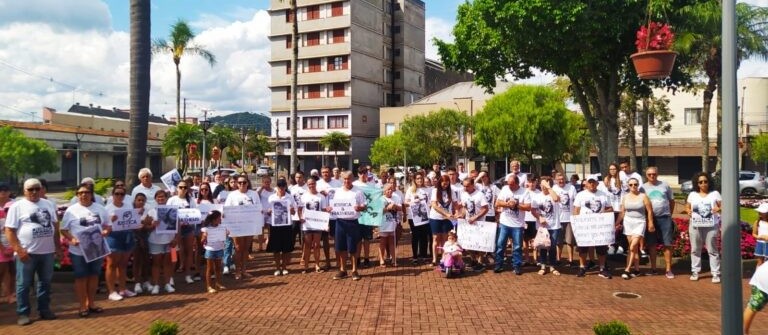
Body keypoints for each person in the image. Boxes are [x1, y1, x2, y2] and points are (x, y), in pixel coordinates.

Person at [4, 179, 60, 325]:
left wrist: (57, 246)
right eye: (30, 189)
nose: (34, 192)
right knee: (23, 284)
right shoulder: (17, 206)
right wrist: (18, 249)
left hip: (47, 252)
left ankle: (44, 309)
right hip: (26, 253)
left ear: (41, 189)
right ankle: (23, 313)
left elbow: (55, 226)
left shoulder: (48, 204)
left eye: (37, 188)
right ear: (24, 191)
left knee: (45, 282)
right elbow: (9, 230)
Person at [61, 184, 110, 318]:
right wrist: (72, 239)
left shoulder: (100, 208)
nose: (84, 195)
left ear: (92, 194)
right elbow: (63, 229)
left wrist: (106, 231)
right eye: (80, 193)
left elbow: (108, 225)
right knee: (81, 277)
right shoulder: (71, 210)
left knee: (94, 276)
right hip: (78, 250)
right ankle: (82, 305)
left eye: (87, 192)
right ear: (77, 195)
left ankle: (92, 303)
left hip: (96, 249)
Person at [573, 176, 614, 279]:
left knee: (601, 248)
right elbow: (576, 210)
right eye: (590, 182)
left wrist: (603, 214)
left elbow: (610, 208)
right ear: (586, 183)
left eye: (593, 182)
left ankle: (602, 268)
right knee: (583, 248)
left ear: (597, 183)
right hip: (585, 226)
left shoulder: (603, 195)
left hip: (599, 227)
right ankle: (582, 267)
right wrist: (576, 224)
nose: (591, 184)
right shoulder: (580, 195)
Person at [685, 172, 722, 283]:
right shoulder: (692, 194)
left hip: (711, 225)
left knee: (712, 250)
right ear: (697, 183)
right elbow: (687, 207)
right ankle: (695, 271)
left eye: (705, 181)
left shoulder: (715, 193)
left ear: (709, 182)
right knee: (695, 249)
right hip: (695, 225)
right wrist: (688, 211)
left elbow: (722, 205)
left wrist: (718, 209)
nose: (703, 184)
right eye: (700, 182)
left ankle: (715, 273)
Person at [330, 171, 367, 281]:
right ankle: (343, 270)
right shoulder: (338, 192)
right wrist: (330, 209)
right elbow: (334, 205)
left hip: (352, 222)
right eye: (345, 179)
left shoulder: (358, 192)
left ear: (352, 179)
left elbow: (364, 206)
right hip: (340, 222)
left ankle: (354, 270)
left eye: (349, 179)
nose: (347, 181)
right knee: (341, 247)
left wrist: (359, 208)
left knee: (353, 247)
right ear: (342, 179)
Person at [224, 175, 262, 279]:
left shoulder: (253, 194)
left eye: (244, 182)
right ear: (236, 184)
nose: (242, 184)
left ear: (247, 183)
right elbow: (227, 209)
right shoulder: (232, 195)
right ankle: (237, 271)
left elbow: (259, 207)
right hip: (237, 225)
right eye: (239, 182)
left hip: (249, 225)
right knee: (237, 248)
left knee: (245, 248)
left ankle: (244, 270)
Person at [640, 166, 676, 278]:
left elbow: (672, 201)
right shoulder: (642, 188)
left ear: (657, 174)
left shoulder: (665, 185)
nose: (652, 176)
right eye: (649, 174)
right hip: (651, 219)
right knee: (651, 244)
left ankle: (668, 269)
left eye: (654, 174)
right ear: (646, 175)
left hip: (664, 218)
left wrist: (669, 214)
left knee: (667, 243)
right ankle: (653, 268)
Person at [616, 178, 653, 280]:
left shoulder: (643, 196)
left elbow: (649, 211)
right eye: (631, 185)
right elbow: (622, 212)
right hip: (628, 223)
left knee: (632, 247)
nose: (633, 186)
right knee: (634, 249)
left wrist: (650, 223)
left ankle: (627, 269)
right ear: (628, 186)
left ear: (638, 185)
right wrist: (616, 223)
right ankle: (637, 270)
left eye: (635, 184)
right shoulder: (625, 197)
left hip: (640, 222)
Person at [104, 187, 138, 301]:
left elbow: (133, 220)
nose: (119, 196)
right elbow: (103, 225)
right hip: (113, 235)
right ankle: (112, 291)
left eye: (122, 194)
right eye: (117, 194)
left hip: (127, 235)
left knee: (123, 264)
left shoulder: (128, 206)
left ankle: (123, 289)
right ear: (112, 195)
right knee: (112, 264)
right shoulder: (107, 208)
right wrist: (111, 220)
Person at [494, 174, 531, 275]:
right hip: (504, 222)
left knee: (517, 246)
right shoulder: (505, 189)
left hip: (518, 224)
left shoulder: (525, 192)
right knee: (500, 244)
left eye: (512, 184)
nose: (509, 186)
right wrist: (507, 204)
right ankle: (498, 264)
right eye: (508, 184)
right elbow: (497, 203)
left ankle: (517, 266)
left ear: (517, 183)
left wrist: (517, 205)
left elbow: (528, 207)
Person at [147, 191, 178, 294]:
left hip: (170, 240)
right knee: (156, 263)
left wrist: (176, 238)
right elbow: (146, 228)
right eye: (158, 197)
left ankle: (167, 284)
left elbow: (178, 225)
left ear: (166, 198)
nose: (161, 199)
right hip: (155, 240)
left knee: (168, 263)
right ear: (155, 199)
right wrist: (152, 225)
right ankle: (156, 285)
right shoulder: (151, 211)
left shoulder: (173, 210)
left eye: (163, 197)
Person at [169, 180, 198, 284]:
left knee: (189, 251)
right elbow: (168, 215)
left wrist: (192, 225)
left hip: (188, 228)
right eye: (180, 187)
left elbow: (195, 214)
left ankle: (188, 275)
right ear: (177, 188)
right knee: (174, 252)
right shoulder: (172, 200)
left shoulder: (191, 200)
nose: (183, 189)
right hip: (175, 230)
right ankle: (170, 277)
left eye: (185, 187)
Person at [266, 178, 297, 276]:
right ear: (277, 187)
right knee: (276, 248)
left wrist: (292, 210)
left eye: (283, 186)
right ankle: (277, 268)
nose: (281, 188)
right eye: (279, 186)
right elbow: (268, 211)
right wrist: (269, 211)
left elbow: (294, 211)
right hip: (275, 225)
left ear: (285, 187)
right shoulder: (271, 198)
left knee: (285, 248)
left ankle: (284, 267)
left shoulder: (290, 197)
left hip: (286, 225)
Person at [532, 177, 561, 276]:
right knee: (543, 246)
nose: (543, 186)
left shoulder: (554, 193)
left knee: (552, 246)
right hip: (542, 226)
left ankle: (552, 266)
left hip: (554, 225)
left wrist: (548, 187)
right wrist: (539, 217)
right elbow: (533, 210)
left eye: (545, 184)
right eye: (542, 184)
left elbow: (556, 199)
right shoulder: (537, 196)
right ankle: (543, 266)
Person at [299, 178, 330, 273]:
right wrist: (300, 217)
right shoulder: (304, 196)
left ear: (315, 184)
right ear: (307, 185)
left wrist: (326, 223)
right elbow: (299, 209)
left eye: (313, 184)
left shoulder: (321, 197)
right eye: (309, 184)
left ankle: (317, 265)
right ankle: (306, 266)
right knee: (307, 245)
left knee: (316, 245)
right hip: (307, 224)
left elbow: (324, 210)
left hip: (318, 224)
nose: (311, 185)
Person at [458, 176, 489, 272]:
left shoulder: (480, 195)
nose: (465, 188)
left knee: (479, 243)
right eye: (464, 186)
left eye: (467, 186)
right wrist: (461, 215)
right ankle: (473, 260)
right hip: (467, 222)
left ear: (472, 185)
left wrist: (475, 217)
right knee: (467, 243)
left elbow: (485, 209)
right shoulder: (463, 194)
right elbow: (464, 207)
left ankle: (480, 262)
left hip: (479, 223)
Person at [429, 175, 458, 266]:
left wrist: (457, 213)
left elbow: (455, 203)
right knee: (436, 238)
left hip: (447, 219)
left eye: (447, 181)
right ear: (440, 182)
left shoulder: (451, 191)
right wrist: (446, 213)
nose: (445, 183)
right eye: (443, 181)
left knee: (445, 239)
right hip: (435, 217)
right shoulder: (435, 191)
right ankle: (434, 259)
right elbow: (434, 205)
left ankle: (443, 258)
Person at [317, 167, 341, 270]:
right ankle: (327, 262)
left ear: (330, 172)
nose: (325, 174)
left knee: (337, 239)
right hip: (323, 215)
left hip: (335, 215)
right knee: (325, 240)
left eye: (327, 172)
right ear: (321, 173)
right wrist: (319, 193)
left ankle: (338, 261)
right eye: (323, 172)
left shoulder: (338, 183)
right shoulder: (317, 184)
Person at [405, 172, 431, 264]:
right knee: (415, 236)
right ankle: (415, 256)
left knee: (424, 236)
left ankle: (424, 255)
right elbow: (406, 202)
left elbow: (431, 202)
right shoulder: (410, 190)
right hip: (413, 216)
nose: (420, 180)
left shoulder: (427, 189)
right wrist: (413, 201)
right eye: (418, 178)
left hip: (425, 216)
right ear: (414, 180)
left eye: (421, 178)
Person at [131, 193, 153, 295]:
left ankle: (146, 281)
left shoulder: (148, 211)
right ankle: (137, 283)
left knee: (146, 259)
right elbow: (129, 225)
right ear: (135, 200)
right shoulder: (130, 211)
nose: (140, 202)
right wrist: (143, 223)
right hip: (134, 237)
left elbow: (150, 226)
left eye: (143, 200)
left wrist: (143, 225)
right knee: (136, 260)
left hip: (144, 236)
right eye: (139, 200)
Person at [200, 210, 228, 293]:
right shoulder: (206, 229)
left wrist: (226, 234)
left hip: (219, 249)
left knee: (218, 267)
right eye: (219, 218)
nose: (220, 220)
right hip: (210, 249)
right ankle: (209, 286)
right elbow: (201, 241)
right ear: (213, 219)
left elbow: (224, 238)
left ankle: (218, 283)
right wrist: (204, 237)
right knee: (210, 268)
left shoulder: (222, 227)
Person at [553, 172, 577, 267]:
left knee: (570, 241)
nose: (561, 181)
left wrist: (575, 215)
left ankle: (571, 259)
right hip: (558, 219)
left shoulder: (571, 188)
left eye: (562, 179)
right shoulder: (554, 188)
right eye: (559, 180)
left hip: (569, 218)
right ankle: (558, 258)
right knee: (558, 241)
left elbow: (575, 202)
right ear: (556, 180)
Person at [352, 167, 375, 267]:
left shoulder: (371, 185)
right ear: (358, 174)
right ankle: (357, 258)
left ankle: (366, 258)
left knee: (367, 239)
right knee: (357, 239)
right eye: (361, 173)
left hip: (368, 215)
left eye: (365, 173)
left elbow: (375, 200)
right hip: (357, 215)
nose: (363, 175)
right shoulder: (354, 185)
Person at [379, 184, 401, 267]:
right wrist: (388, 208)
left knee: (392, 241)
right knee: (383, 242)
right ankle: (381, 259)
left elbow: (400, 208)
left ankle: (393, 259)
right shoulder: (381, 199)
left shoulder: (396, 197)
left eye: (391, 189)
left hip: (393, 222)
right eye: (388, 189)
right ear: (384, 191)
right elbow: (379, 211)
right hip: (384, 223)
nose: (390, 191)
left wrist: (395, 206)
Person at [0, 183, 15, 304]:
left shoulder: (15, 205)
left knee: (13, 271)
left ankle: (11, 294)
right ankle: (6, 293)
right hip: (1, 245)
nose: (3, 192)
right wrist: (3, 248)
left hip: (14, 243)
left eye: (5, 190)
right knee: (2, 270)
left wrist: (14, 245)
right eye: (0, 190)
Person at [744, 262, 768, 334]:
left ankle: (743, 332)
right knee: (753, 306)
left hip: (762, 274)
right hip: (764, 277)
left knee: (752, 306)